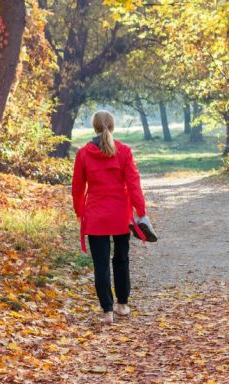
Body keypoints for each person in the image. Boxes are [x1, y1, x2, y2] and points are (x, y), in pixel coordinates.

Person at [71, 110, 149, 324]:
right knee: (121, 259)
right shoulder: (124, 151)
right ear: (112, 127)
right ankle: (122, 305)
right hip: (120, 215)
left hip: (96, 216)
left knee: (101, 264)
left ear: (94, 127)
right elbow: (133, 184)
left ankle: (107, 311)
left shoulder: (83, 154)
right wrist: (141, 212)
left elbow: (77, 188)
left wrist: (80, 212)